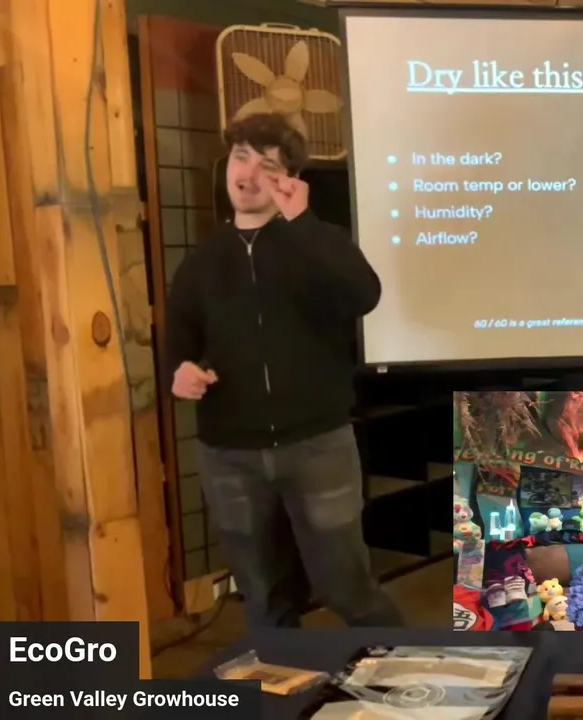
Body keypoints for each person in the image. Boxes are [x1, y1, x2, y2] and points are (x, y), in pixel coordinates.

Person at [166, 112, 402, 628]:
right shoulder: (199, 264)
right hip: (230, 455)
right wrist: (181, 373)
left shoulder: (317, 243)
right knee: (264, 597)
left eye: (268, 165)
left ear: (289, 179)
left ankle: (406, 671)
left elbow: (364, 294)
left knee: (348, 588)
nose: (249, 173)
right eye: (241, 157)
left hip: (318, 445)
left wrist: (304, 223)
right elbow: (179, 347)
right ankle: (285, 677)